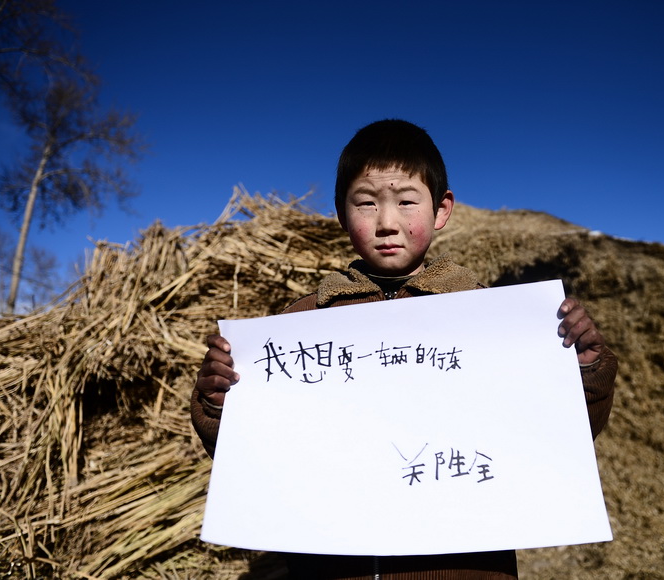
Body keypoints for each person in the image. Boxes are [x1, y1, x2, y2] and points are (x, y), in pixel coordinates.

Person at [191, 119, 617, 579]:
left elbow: (550, 438)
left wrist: (583, 370)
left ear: (441, 210)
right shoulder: (301, 325)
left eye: (406, 201)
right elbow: (257, 454)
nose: (387, 223)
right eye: (367, 203)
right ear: (340, 212)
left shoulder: (492, 321)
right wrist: (219, 404)